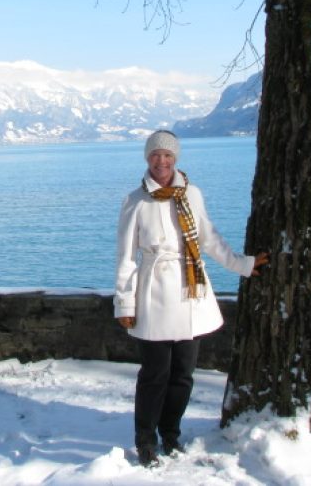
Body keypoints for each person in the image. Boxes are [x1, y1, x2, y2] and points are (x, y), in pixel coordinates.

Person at [114, 130, 268, 467]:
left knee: (183, 373)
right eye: (155, 155)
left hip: (190, 290)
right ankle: (145, 439)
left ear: (176, 159)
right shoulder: (135, 201)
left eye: (167, 155)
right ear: (147, 158)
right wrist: (125, 304)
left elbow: (208, 239)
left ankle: (171, 433)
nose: (162, 161)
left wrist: (242, 264)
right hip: (153, 291)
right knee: (154, 373)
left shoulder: (191, 194)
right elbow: (125, 257)